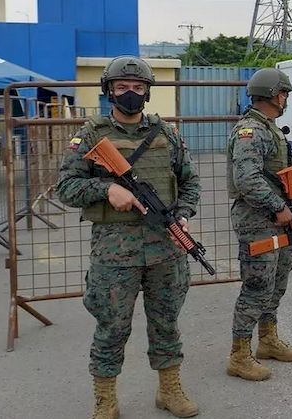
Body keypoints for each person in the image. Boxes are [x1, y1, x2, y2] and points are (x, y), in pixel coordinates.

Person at [56, 56, 201, 418]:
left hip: (165, 250)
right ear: (109, 91)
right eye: (123, 88)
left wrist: (182, 215)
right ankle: (105, 400)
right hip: (114, 254)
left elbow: (190, 182)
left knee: (166, 323)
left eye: (138, 88)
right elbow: (66, 187)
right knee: (111, 327)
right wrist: (106, 190)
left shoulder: (165, 133)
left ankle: (169, 390)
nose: (131, 94)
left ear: (148, 93)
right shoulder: (91, 134)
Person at [226, 67, 292, 381]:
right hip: (257, 221)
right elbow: (246, 179)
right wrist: (278, 207)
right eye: (283, 93)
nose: (285, 99)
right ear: (271, 94)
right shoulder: (251, 131)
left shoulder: (269, 128)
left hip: (276, 220)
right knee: (256, 286)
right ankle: (239, 355)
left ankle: (267, 340)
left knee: (276, 281)